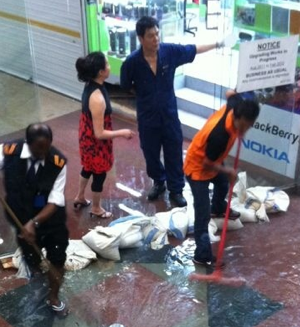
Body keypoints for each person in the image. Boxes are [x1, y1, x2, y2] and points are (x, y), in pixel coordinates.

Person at [120, 16, 230, 208]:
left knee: (173, 153)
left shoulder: (169, 52)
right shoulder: (131, 63)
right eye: (151, 36)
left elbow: (193, 49)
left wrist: (219, 43)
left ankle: (176, 189)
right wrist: (146, 98)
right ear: (140, 38)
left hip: (169, 116)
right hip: (147, 119)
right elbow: (126, 86)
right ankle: (159, 182)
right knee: (151, 154)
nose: (156, 39)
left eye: (157, 34)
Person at [0, 123, 69, 318]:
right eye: (38, 150)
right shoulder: (9, 151)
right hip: (19, 218)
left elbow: (56, 200)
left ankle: (54, 296)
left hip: (50, 220)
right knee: (32, 257)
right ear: (28, 143)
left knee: (57, 258)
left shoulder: (58, 162)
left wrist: (34, 223)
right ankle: (39, 283)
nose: (43, 155)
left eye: (46, 148)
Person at [183, 91, 260, 267]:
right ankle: (202, 256)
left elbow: (230, 93)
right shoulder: (220, 134)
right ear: (237, 117)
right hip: (197, 168)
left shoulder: (236, 105)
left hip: (214, 158)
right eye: (245, 126)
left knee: (222, 183)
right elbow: (207, 163)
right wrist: (227, 171)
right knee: (202, 215)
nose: (245, 130)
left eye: (250, 126)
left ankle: (217, 208)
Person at [74, 52, 134, 219]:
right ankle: (96, 208)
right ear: (101, 72)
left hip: (86, 135)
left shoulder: (91, 85)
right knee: (99, 174)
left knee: (87, 168)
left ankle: (79, 196)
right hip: (95, 142)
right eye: (107, 65)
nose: (109, 67)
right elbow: (99, 133)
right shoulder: (97, 98)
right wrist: (122, 133)